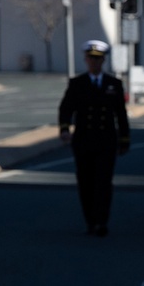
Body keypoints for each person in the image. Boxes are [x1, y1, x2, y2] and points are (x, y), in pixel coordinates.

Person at [57, 39, 130, 237]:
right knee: (86, 182)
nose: (94, 62)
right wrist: (64, 129)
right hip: (83, 140)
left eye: (98, 59)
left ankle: (101, 221)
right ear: (86, 59)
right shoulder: (77, 83)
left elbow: (120, 114)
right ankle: (90, 220)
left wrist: (124, 139)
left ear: (103, 60)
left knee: (104, 182)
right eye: (91, 58)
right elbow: (66, 108)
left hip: (106, 140)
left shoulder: (113, 84)